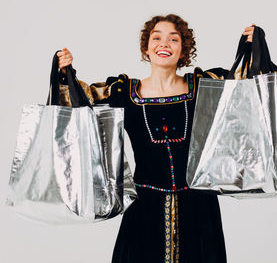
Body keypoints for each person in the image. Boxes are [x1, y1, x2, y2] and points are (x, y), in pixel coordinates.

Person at [57, 14, 255, 263]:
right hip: (145, 210)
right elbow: (80, 101)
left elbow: (247, 84)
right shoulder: (124, 92)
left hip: (198, 210)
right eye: (157, 37)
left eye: (174, 39)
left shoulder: (202, 87)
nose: (164, 44)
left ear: (183, 49)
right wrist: (65, 73)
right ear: (146, 47)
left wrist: (251, 46)